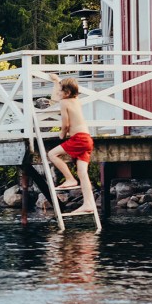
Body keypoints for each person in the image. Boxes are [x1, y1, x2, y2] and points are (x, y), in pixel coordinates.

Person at [46, 74, 97, 214]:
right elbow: (56, 96)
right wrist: (57, 81)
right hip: (87, 138)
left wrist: (62, 134)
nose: (58, 93)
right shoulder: (76, 100)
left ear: (66, 93)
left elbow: (66, 123)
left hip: (78, 138)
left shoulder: (64, 103)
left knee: (52, 154)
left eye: (60, 90)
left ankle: (69, 178)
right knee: (82, 173)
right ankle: (88, 204)